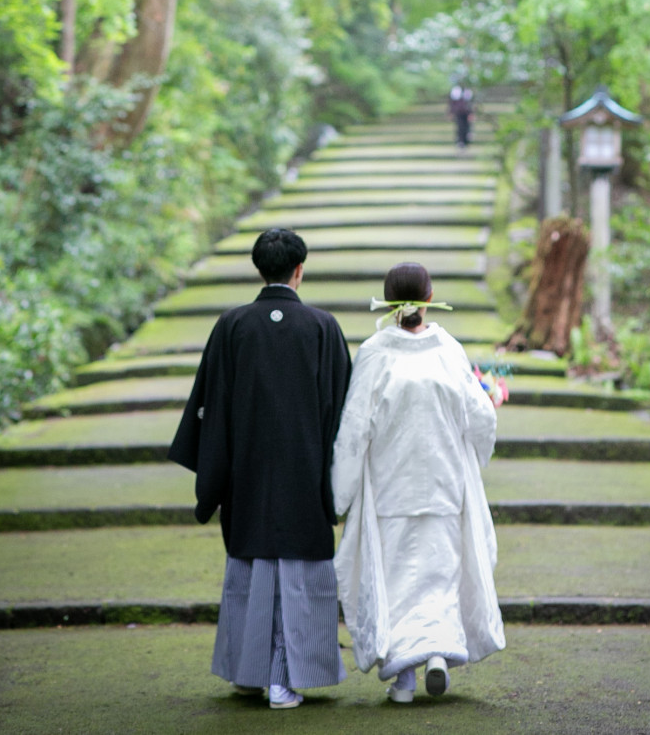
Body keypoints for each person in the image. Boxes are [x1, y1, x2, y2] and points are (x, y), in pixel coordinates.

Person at [169, 227, 352, 709]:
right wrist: (339, 479)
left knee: (253, 566)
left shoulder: (232, 326)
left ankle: (254, 672)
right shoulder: (321, 326)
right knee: (296, 571)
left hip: (247, 473)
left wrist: (215, 477)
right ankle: (284, 677)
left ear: (259, 269)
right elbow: (341, 411)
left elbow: (210, 407)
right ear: (299, 269)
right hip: (305, 473)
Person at [331, 261, 505, 703]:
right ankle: (439, 657)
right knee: (439, 575)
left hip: (393, 487)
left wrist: (340, 493)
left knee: (398, 579)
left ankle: (404, 679)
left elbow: (353, 429)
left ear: (389, 301)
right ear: (429, 299)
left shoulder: (374, 352)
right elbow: (479, 415)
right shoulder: (448, 349)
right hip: (444, 483)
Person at [448, 83, 474, 147]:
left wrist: (471, 113)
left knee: (467, 127)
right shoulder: (455, 91)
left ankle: (465, 141)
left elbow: (470, 104)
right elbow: (452, 103)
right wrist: (451, 112)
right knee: (460, 127)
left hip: (466, 113)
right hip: (458, 113)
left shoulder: (468, 91)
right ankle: (461, 141)